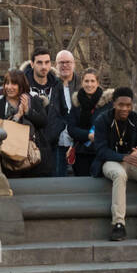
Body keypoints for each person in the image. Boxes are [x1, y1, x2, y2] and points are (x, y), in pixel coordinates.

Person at [93, 87, 137, 242]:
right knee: (120, 175)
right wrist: (123, 157)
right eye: (121, 105)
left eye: (128, 105)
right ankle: (118, 224)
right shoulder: (102, 120)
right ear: (114, 103)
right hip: (110, 161)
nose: (125, 109)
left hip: (130, 161)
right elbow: (101, 150)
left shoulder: (136, 118)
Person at [0, 70, 49, 178]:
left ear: (21, 85)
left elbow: (43, 122)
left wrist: (28, 112)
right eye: (7, 83)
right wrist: (17, 116)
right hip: (7, 159)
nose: (9, 87)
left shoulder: (33, 100)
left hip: (32, 157)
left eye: (14, 83)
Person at [65, 69, 109, 177]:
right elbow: (71, 129)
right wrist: (88, 135)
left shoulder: (107, 104)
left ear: (97, 83)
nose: (89, 84)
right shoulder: (76, 103)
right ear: (82, 83)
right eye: (86, 81)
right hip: (81, 152)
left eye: (92, 81)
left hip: (100, 152)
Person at [52, 49, 78, 178]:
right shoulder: (51, 85)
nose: (64, 65)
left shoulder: (83, 84)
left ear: (74, 64)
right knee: (57, 178)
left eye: (68, 62)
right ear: (55, 65)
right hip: (56, 140)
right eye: (61, 62)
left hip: (77, 140)